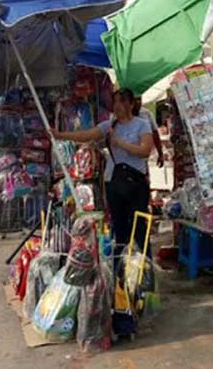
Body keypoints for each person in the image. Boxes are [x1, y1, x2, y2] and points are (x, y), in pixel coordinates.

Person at [53, 89, 154, 255]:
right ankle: (120, 269)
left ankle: (144, 266)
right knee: (120, 228)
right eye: (115, 102)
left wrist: (119, 143)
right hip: (114, 183)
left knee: (139, 227)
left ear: (131, 104)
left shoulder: (142, 124)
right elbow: (87, 135)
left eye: (122, 102)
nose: (118, 106)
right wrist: (61, 135)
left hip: (136, 184)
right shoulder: (109, 125)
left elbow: (145, 151)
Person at [134, 97, 164, 168]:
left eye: (139, 99)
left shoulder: (146, 113)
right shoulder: (122, 115)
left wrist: (160, 153)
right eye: (135, 99)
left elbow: (155, 133)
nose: (138, 102)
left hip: (143, 155)